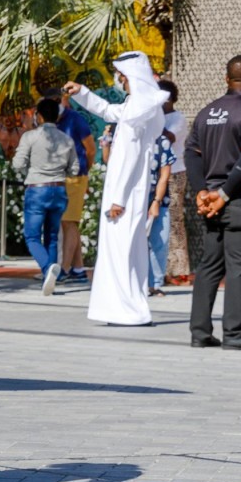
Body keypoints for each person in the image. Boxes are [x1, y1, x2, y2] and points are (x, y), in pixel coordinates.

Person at [63, 53, 168, 327]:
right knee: (125, 251)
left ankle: (126, 310)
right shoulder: (138, 107)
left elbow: (129, 157)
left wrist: (118, 199)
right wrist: (83, 93)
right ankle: (125, 308)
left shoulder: (138, 112)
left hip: (125, 195)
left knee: (120, 251)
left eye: (121, 75)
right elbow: (109, 111)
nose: (118, 80)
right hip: (127, 193)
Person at [185, 55, 241, 350]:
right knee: (238, 268)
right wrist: (223, 195)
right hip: (238, 202)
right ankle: (235, 333)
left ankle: (200, 332)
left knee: (209, 266)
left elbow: (191, 154)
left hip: (209, 203)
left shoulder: (207, 112)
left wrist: (201, 191)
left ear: (226, 78)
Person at [11, 96, 80, 293]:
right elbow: (74, 169)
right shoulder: (67, 139)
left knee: (32, 236)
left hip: (37, 188)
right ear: (57, 116)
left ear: (38, 116)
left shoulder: (30, 137)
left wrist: (29, 169)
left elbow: (18, 163)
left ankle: (47, 268)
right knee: (51, 236)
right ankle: (50, 277)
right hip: (58, 188)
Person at [148, 78, 181, 291]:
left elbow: (164, 174)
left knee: (160, 239)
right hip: (139, 197)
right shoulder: (135, 139)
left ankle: (156, 282)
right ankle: (144, 281)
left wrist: (157, 200)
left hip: (160, 195)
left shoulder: (163, 140)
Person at [58, 100, 95, 282]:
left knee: (69, 222)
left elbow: (90, 149)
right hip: (59, 177)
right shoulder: (49, 121)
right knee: (68, 223)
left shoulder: (75, 120)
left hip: (75, 176)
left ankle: (64, 269)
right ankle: (78, 268)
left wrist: (84, 171)